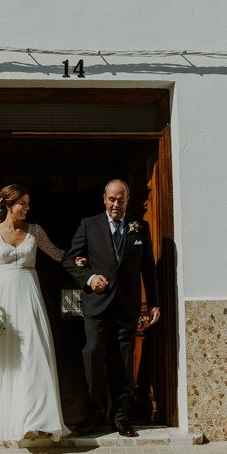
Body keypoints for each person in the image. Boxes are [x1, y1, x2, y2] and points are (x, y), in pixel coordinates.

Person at [0, 184, 81, 441]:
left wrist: (77, 260)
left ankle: (34, 419)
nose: (27, 208)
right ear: (7, 205)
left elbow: (55, 253)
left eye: (28, 204)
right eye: (22, 204)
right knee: (4, 358)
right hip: (1, 301)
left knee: (34, 353)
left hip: (29, 297)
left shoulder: (35, 231)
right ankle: (10, 419)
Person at [63, 179, 160, 437]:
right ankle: (95, 414)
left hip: (126, 307)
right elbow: (70, 259)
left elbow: (147, 269)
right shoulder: (89, 224)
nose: (116, 204)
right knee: (93, 355)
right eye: (112, 199)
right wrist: (89, 278)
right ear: (104, 198)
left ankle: (121, 418)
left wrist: (153, 303)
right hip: (96, 306)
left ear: (128, 201)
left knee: (124, 363)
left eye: (121, 199)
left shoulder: (140, 228)